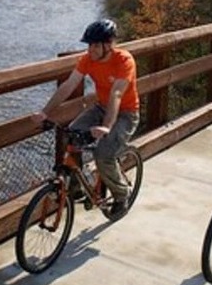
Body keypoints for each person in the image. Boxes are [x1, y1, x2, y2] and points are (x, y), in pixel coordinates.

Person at [32, 19, 140, 219]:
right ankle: (76, 186)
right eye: (89, 44)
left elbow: (116, 94)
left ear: (108, 45)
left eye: (96, 45)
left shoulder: (124, 61)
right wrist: (45, 112)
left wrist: (106, 127)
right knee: (71, 134)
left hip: (126, 113)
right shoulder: (87, 59)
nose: (91, 49)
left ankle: (121, 194)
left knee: (103, 154)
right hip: (101, 108)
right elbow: (68, 86)